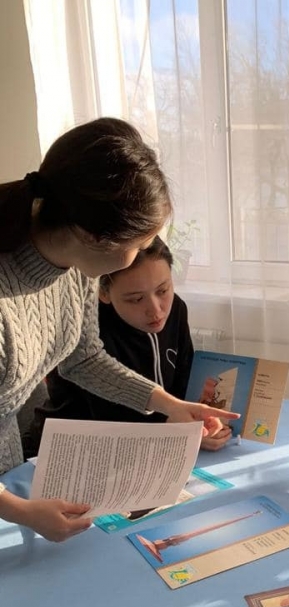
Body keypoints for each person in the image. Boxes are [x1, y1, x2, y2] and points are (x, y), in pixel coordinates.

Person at [0, 117, 237, 542]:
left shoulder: (74, 267)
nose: (145, 252)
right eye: (140, 244)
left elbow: (83, 359)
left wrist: (169, 404)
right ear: (93, 235)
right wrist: (22, 512)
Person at [24, 236, 232, 454]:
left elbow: (183, 383)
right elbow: (107, 418)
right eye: (136, 299)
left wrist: (201, 423)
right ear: (102, 292)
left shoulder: (176, 309)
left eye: (163, 290)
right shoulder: (85, 333)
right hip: (70, 449)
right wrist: (177, 430)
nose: (156, 310)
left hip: (151, 442)